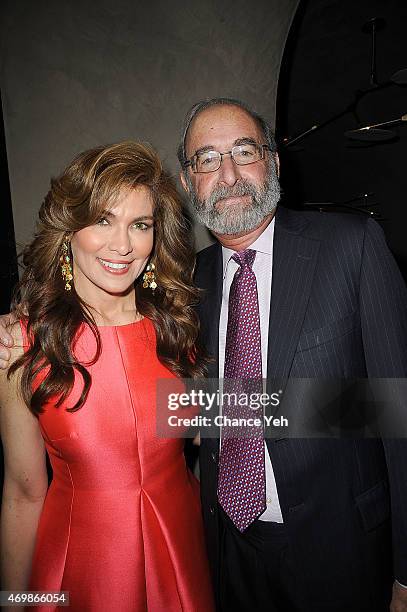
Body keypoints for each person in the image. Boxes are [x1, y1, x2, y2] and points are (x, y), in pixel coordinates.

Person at [175, 98, 407, 611]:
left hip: (343, 553)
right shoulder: (188, 282)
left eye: (244, 151)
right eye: (207, 160)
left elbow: (399, 417)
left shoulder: (353, 247)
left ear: (274, 162)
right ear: (190, 183)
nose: (229, 173)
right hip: (228, 553)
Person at [0, 141, 214, 611]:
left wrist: (369, 407)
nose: (123, 245)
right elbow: (24, 492)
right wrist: (14, 601)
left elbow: (216, 427)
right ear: (69, 227)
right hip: (77, 568)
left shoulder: (175, 325)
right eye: (103, 220)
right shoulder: (22, 340)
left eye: (140, 225)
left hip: (181, 550)